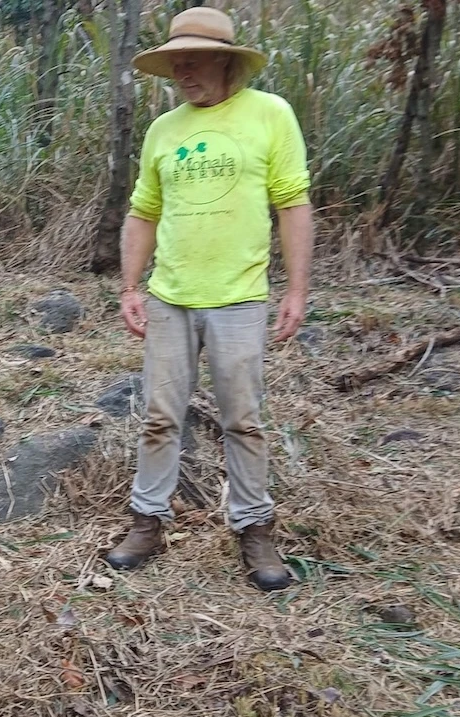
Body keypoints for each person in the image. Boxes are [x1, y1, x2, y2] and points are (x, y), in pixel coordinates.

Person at [104, 7, 314, 591]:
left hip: (240, 298)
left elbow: (292, 203)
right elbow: (143, 212)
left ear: (227, 60)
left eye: (193, 59)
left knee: (243, 421)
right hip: (170, 297)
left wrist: (296, 289)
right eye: (176, 61)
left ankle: (253, 528)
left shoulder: (270, 115)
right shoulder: (163, 130)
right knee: (158, 417)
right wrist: (130, 287)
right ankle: (147, 520)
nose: (182, 71)